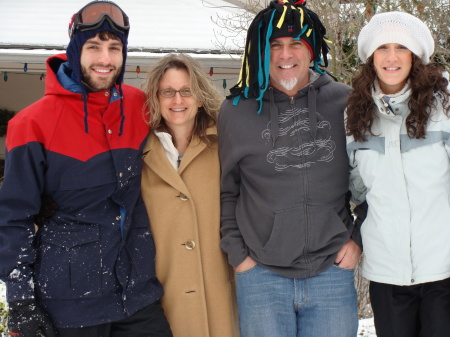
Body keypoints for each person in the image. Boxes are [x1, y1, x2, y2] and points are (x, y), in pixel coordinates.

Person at [0, 1, 172, 336]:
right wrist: (21, 300)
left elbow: (188, 132)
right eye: (94, 47)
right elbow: (13, 217)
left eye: (114, 48)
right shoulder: (31, 124)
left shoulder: (139, 106)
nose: (105, 60)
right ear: (75, 48)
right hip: (70, 303)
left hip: (137, 295)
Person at [218, 1, 361, 336]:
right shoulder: (235, 111)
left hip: (331, 274)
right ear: (260, 52)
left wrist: (357, 239)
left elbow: (373, 179)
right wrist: (240, 257)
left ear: (311, 51)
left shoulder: (346, 102)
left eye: (296, 43)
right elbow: (228, 190)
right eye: (275, 45)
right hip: (261, 277)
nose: (285, 55)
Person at [346, 11, 450, 337]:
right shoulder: (355, 115)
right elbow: (358, 191)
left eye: (401, 48)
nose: (391, 57)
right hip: (386, 274)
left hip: (443, 271)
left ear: (416, 56)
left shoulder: (443, 109)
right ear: (370, 58)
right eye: (382, 48)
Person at [140, 53, 240, 337]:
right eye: (168, 92)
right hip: (163, 295)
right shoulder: (138, 151)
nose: (177, 100)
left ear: (200, 96)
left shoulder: (226, 143)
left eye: (186, 91)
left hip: (221, 291)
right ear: (156, 98)